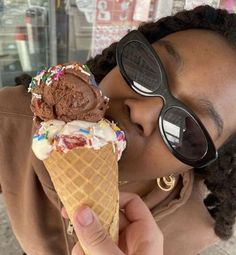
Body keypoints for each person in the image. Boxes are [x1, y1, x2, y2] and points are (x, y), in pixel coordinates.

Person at [0, 4, 236, 255]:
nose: (141, 112)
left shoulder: (194, 231)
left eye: (189, 128)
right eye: (146, 69)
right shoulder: (11, 120)